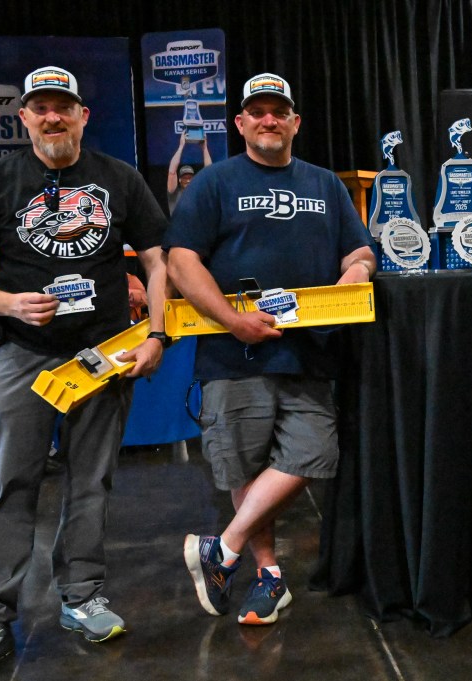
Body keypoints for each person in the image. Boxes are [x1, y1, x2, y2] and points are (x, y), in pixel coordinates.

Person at [0, 66, 170, 676]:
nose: (52, 117)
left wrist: (157, 333)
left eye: (63, 107)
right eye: (40, 107)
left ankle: (82, 595)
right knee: (8, 484)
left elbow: (158, 261)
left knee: (90, 481)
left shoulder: (119, 178)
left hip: (102, 355)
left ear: (82, 116)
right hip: (24, 353)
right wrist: (9, 303)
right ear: (24, 117)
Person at [164, 72, 375, 626]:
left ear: (295, 122)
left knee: (313, 453)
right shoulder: (214, 182)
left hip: (311, 352)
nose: (268, 120)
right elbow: (181, 261)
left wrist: (356, 270)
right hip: (233, 354)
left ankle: (223, 548)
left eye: (279, 111)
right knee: (245, 466)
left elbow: (360, 251)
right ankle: (269, 577)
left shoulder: (325, 184)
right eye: (257, 111)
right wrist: (233, 321)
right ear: (240, 123)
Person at [166, 131, 212, 215]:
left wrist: (205, 148)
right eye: (185, 178)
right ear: (179, 180)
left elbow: (209, 172)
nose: (187, 180)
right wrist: (181, 146)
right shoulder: (174, 193)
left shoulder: (197, 193)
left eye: (190, 177)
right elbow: (172, 172)